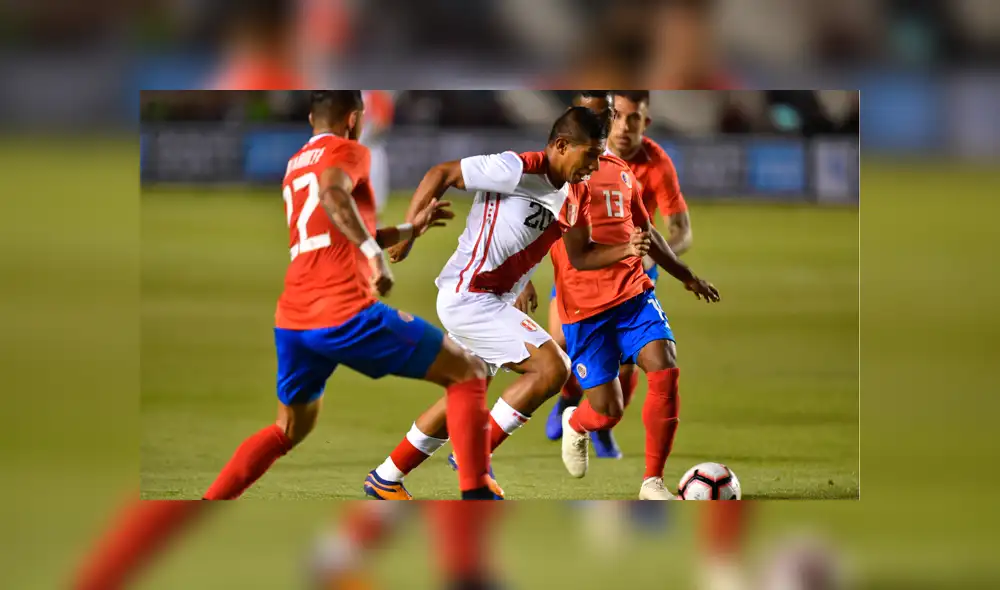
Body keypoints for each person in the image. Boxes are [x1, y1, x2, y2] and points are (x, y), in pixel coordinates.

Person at [363, 106, 651, 500]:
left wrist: (626, 249)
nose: (595, 165)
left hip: (495, 299)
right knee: (553, 368)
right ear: (562, 146)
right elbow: (441, 173)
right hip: (470, 296)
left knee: (466, 391)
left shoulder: (577, 193)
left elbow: (581, 256)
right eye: (590, 155)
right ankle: (473, 459)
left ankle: (386, 477)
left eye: (601, 156)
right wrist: (409, 232)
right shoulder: (516, 168)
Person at [544, 91, 693, 460]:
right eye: (616, 117)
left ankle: (604, 427)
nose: (621, 127)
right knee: (560, 346)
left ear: (645, 121)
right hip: (578, 276)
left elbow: (679, 230)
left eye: (631, 118)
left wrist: (655, 258)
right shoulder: (566, 160)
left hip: (633, 272)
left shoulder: (654, 163)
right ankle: (569, 405)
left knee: (637, 365)